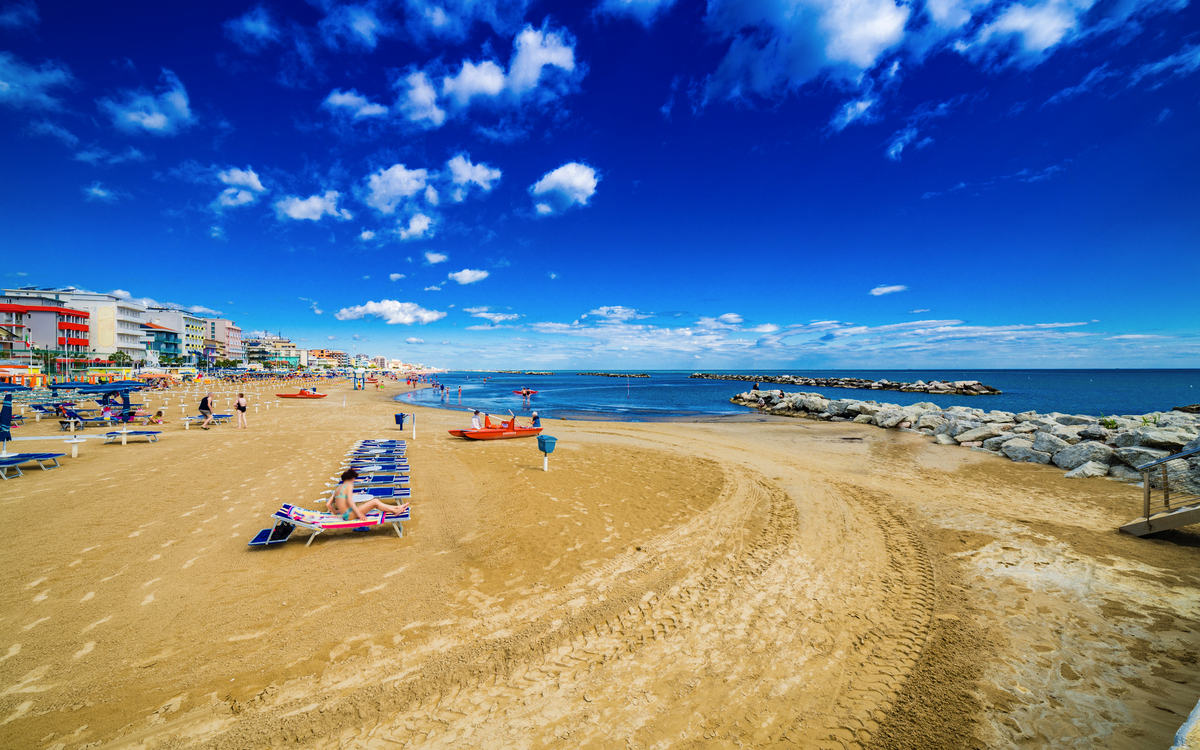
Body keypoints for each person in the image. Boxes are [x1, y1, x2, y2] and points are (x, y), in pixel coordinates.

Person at [326, 469, 408, 520]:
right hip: (351, 514)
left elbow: (328, 504)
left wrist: (336, 511)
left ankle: (397, 507)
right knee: (375, 501)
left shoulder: (337, 489)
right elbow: (350, 502)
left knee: (375, 503)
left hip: (346, 515)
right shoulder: (349, 486)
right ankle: (395, 510)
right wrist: (359, 514)